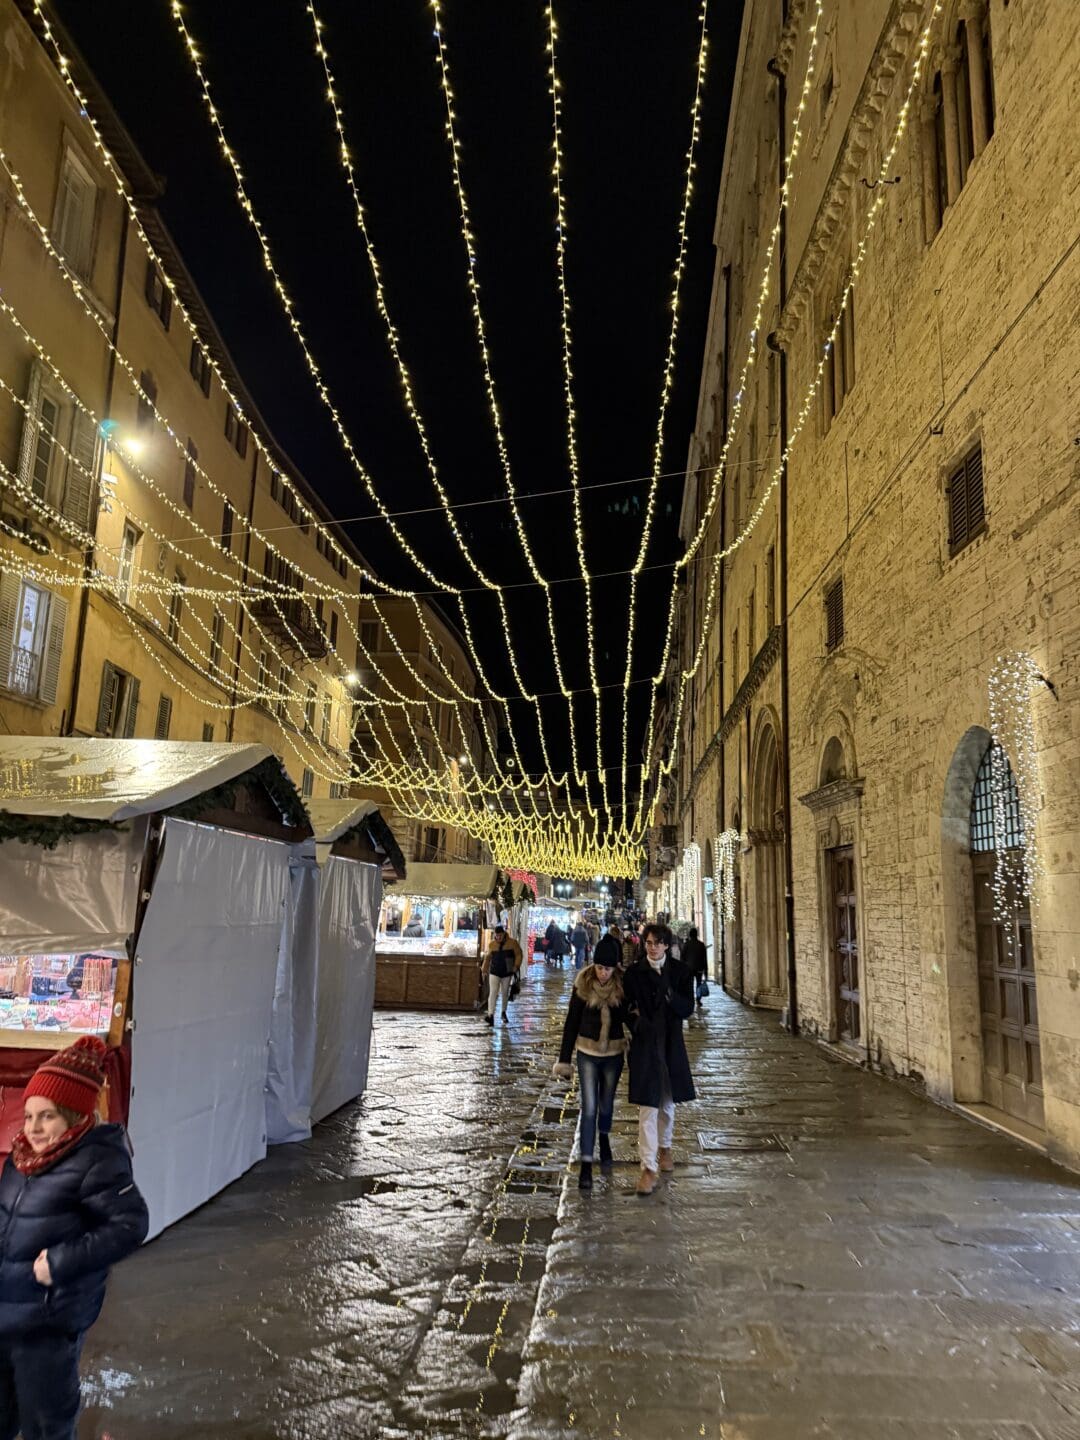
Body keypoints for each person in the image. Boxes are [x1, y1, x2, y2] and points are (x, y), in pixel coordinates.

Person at [0, 1036, 149, 1439]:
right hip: (5, 1310)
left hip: (48, 1319)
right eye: (29, 1116)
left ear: (73, 1114)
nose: (33, 1128)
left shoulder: (97, 1160)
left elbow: (129, 1225)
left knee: (45, 1421)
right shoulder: (21, 1158)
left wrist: (61, 1262)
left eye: (46, 1116)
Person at [622, 922, 695, 1196]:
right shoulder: (634, 973)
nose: (652, 948)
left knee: (666, 1104)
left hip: (671, 1045)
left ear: (666, 945)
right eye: (648, 943)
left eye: (657, 943)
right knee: (647, 1108)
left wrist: (671, 997)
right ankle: (648, 1168)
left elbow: (688, 1008)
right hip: (645, 1046)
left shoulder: (680, 972)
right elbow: (626, 1007)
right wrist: (637, 1023)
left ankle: (665, 1146)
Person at [552, 934, 626, 1191]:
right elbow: (571, 1021)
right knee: (590, 1107)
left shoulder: (622, 986)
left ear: (615, 967)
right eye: (600, 968)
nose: (603, 973)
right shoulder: (582, 986)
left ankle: (603, 1138)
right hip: (586, 1053)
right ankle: (585, 1165)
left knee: (606, 1106)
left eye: (608, 968)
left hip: (614, 1055)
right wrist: (564, 1059)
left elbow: (631, 1017)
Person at [482, 923, 522, 1026]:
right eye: (496, 935)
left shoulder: (513, 943)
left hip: (507, 972)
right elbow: (487, 958)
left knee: (505, 993)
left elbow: (519, 954)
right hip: (494, 971)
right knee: (493, 993)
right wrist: (484, 969)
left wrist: (516, 966)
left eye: (500, 935)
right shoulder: (492, 944)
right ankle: (490, 1015)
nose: (498, 937)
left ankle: (503, 1012)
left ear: (504, 934)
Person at [681, 925, 709, 1007]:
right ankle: (698, 999)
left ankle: (691, 999)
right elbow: (704, 958)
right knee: (698, 983)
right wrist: (706, 971)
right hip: (699, 968)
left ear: (690, 935)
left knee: (690, 984)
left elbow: (682, 957)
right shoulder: (701, 945)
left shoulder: (686, 944)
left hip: (688, 968)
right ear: (696, 935)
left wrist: (682, 969)